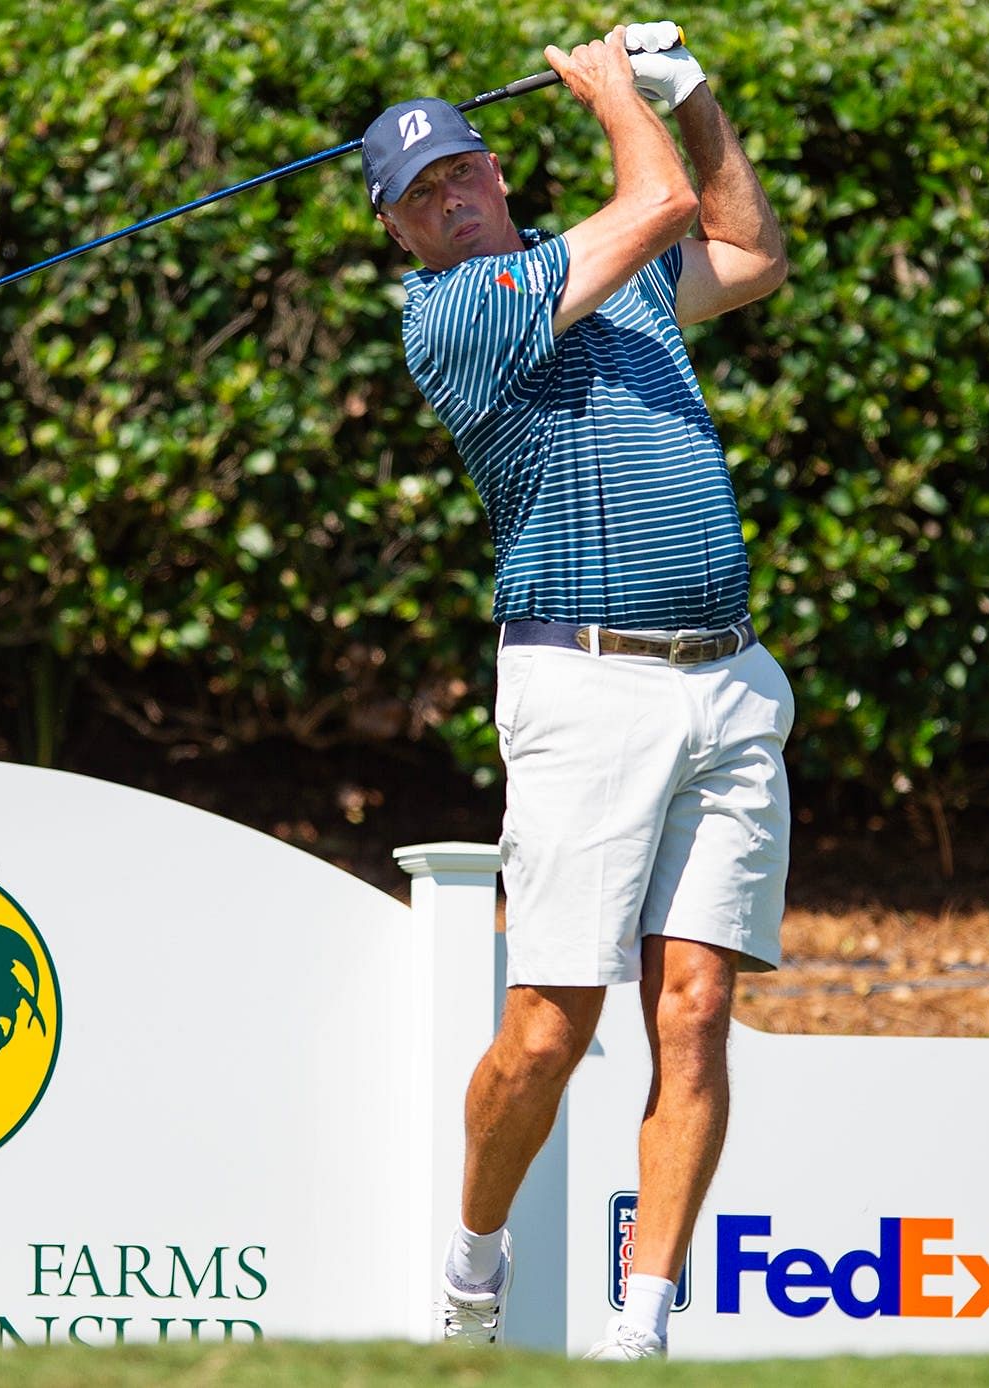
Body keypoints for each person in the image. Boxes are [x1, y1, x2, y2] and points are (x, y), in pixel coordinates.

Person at [363, 20, 791, 1360]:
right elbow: (655, 198)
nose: (453, 199)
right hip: (583, 688)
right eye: (422, 198)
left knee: (699, 1010)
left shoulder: (621, 276)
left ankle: (642, 1327)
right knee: (548, 1030)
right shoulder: (459, 316)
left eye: (465, 173)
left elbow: (748, 252)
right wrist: (621, 92)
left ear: (497, 172)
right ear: (404, 237)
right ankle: (472, 1266)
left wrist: (695, 101)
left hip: (728, 684)